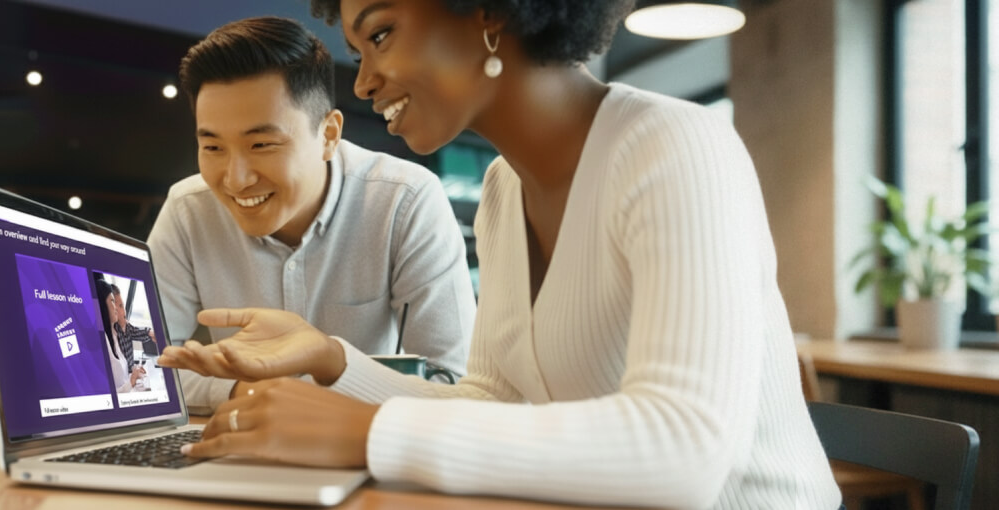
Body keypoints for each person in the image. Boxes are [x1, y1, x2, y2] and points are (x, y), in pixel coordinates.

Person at [157, 1, 842, 508]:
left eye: (381, 34)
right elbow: (494, 399)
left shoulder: (675, 145)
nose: (362, 83)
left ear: (488, 10)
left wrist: (367, 431)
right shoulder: (502, 189)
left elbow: (685, 449)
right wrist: (329, 357)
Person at [147, 16, 475, 414]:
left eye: (262, 144)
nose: (235, 180)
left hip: (362, 443)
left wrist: (298, 397)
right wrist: (247, 394)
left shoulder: (404, 201)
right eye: (213, 148)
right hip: (242, 436)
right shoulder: (188, 209)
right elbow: (140, 370)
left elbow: (451, 381)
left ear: (329, 135)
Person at [95, 277, 146, 393]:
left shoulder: (113, 334)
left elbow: (122, 379)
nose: (116, 309)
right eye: (112, 301)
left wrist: (134, 373)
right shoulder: (100, 342)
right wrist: (132, 381)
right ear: (103, 305)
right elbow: (108, 395)